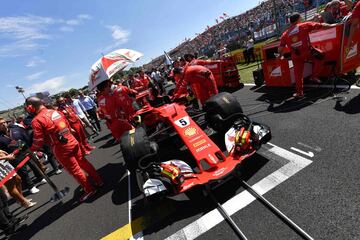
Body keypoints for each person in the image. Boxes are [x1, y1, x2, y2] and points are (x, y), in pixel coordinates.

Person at [25, 97, 103, 202]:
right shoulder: (55, 111)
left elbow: (38, 140)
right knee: (83, 162)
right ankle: (99, 181)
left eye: (27, 107)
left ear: (30, 107)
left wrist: (31, 150)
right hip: (71, 140)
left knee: (75, 170)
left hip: (60, 147)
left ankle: (89, 189)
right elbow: (66, 124)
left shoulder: (37, 120)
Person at [278, 12, 336, 98]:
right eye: (300, 18)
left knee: (298, 74)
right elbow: (322, 25)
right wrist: (333, 25)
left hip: (296, 56)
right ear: (298, 19)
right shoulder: (304, 25)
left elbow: (280, 48)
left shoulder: (285, 34)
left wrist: (280, 56)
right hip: (308, 52)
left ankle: (299, 93)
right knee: (321, 56)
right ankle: (314, 76)